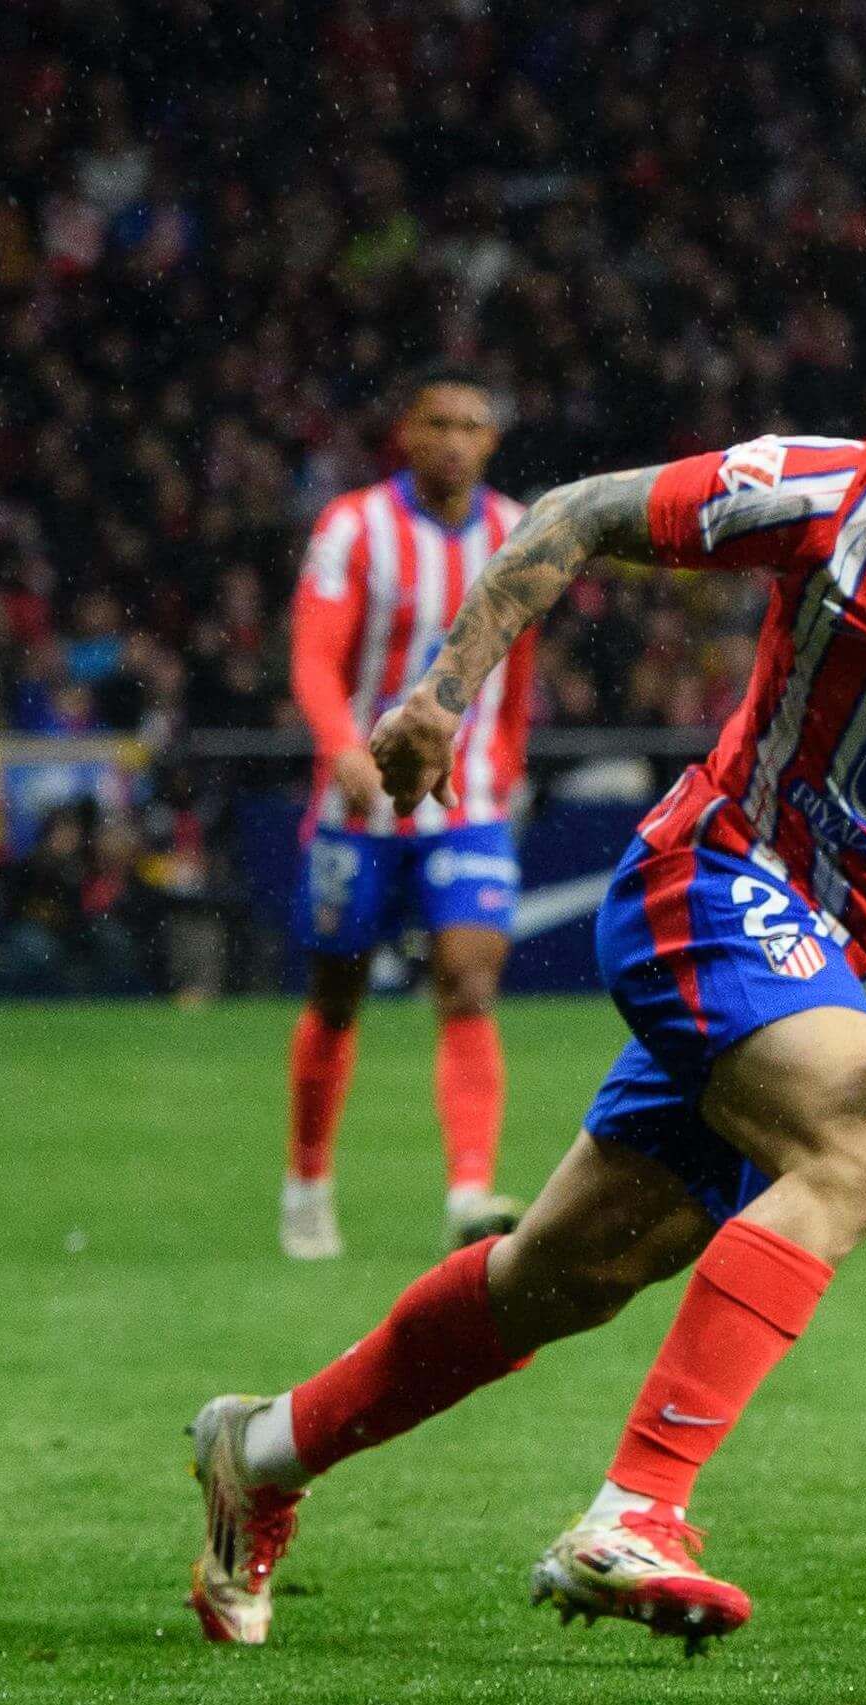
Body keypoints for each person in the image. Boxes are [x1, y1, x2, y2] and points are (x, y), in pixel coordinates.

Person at [188, 327, 866, 1650]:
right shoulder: (842, 498)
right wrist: (441, 695)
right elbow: (578, 512)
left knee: (559, 1279)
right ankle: (636, 1512)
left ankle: (261, 1452)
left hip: (840, 974)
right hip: (712, 877)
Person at [282, 365, 537, 1259]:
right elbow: (314, 657)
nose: (456, 442)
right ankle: (308, 1180)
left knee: (469, 982)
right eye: (440, 424)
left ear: (492, 442)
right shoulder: (353, 528)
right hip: (356, 805)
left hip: (468, 805)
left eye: (473, 426)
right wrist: (342, 748)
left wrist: (507, 758)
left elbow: (519, 661)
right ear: (407, 434)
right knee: (336, 997)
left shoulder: (517, 532)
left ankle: (469, 1190)